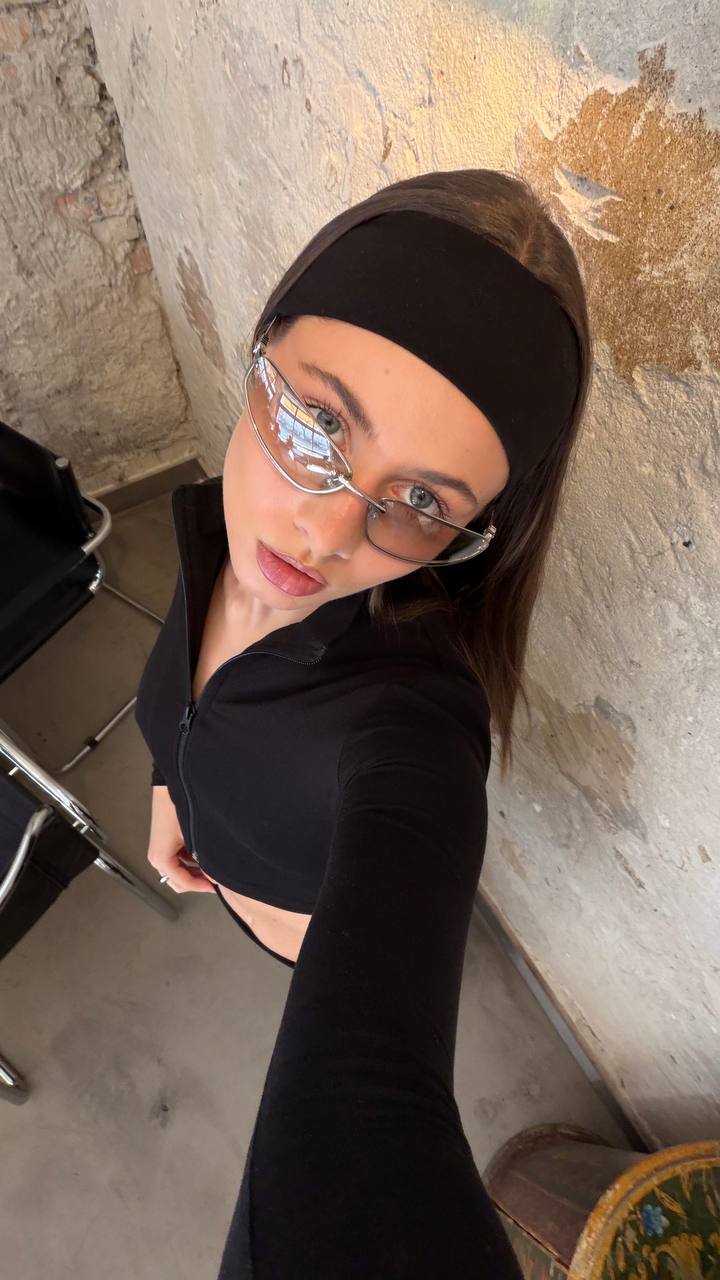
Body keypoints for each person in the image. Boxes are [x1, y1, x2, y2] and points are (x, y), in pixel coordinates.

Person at [134, 168, 592, 1277]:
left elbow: (368, 1131)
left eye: (424, 501)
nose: (331, 530)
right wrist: (169, 779)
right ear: (262, 346)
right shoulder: (214, 523)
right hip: (209, 855)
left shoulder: (411, 721)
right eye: (319, 420)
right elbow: (189, 695)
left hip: (298, 932)